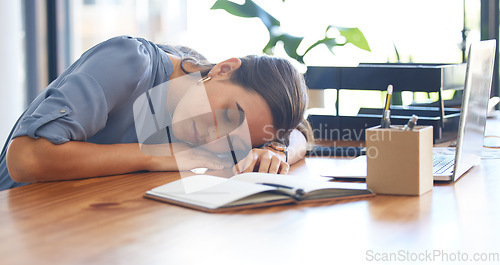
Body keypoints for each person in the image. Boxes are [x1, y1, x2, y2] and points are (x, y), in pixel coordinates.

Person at [0, 35, 312, 191]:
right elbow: (25, 159)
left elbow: (302, 131)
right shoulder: (131, 61)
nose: (214, 138)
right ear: (224, 69)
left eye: (237, 141)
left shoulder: (204, 101)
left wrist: (277, 151)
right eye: (230, 114)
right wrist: (158, 155)